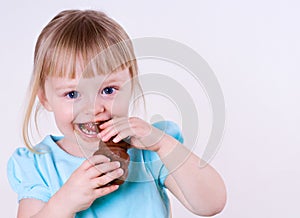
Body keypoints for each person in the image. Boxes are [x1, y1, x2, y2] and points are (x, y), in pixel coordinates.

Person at [7, 9, 226, 218]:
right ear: (45, 98)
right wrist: (64, 202)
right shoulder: (38, 164)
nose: (93, 109)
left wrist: (163, 144)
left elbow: (212, 204)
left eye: (108, 90)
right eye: (73, 94)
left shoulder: (148, 151)